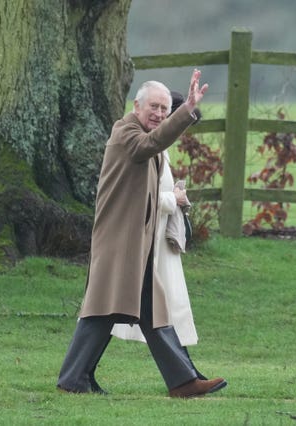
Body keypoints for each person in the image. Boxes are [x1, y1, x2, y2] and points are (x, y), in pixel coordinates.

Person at [57, 69, 227, 398]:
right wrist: (186, 110)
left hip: (135, 245)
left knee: (149, 311)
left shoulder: (142, 136)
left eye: (166, 108)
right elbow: (149, 145)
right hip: (119, 242)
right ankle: (74, 378)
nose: (160, 114)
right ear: (137, 105)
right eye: (155, 107)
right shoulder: (126, 133)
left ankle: (180, 381)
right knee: (102, 311)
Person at [109, 90, 205, 379]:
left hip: (159, 240)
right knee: (159, 310)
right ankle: (186, 376)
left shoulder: (159, 148)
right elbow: (140, 195)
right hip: (148, 241)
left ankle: (186, 375)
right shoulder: (140, 142)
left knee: (162, 311)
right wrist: (172, 200)